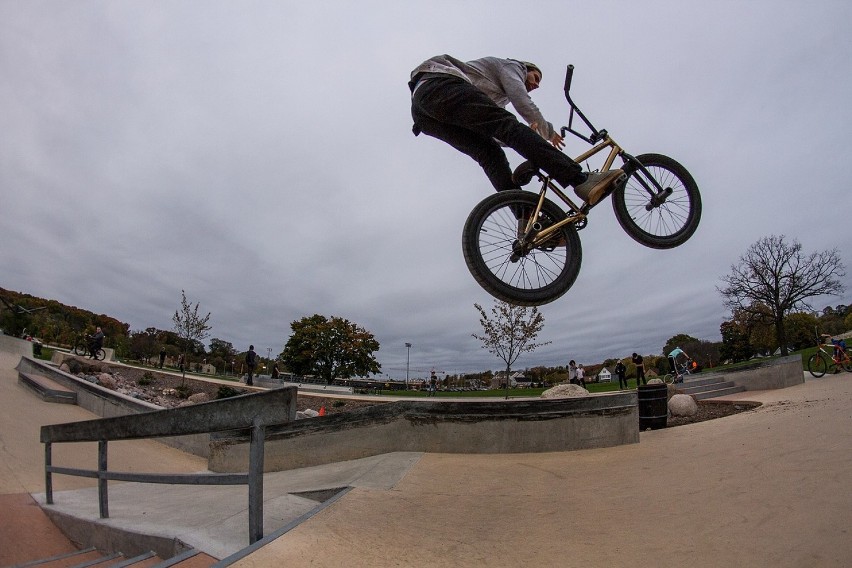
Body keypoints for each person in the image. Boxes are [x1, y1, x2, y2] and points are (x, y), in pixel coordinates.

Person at [409, 55, 624, 206]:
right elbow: (521, 101)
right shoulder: (511, 67)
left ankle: (526, 218)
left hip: (424, 114)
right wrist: (546, 131)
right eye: (536, 78)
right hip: (438, 83)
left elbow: (496, 133)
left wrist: (522, 133)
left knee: (490, 153)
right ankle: (581, 180)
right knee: (509, 126)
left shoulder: (491, 97)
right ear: (526, 68)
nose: (536, 84)